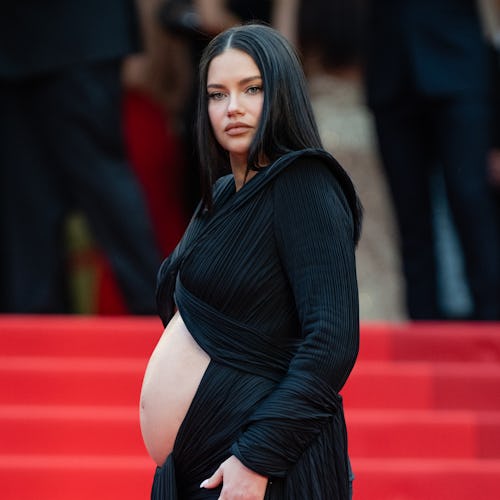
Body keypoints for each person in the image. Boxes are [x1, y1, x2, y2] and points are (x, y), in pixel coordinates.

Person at [140, 23, 362, 499]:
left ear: (281, 92)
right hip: (200, 461)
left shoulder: (304, 183)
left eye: (252, 89)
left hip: (258, 466)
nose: (232, 107)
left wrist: (256, 456)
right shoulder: (220, 195)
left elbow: (332, 341)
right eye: (217, 95)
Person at [0, 0, 161, 314]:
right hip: (13, 45)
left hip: (78, 33)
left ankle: (158, 317)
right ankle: (36, 338)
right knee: (25, 204)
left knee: (104, 184)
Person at [363, 0, 500, 320]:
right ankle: (423, 340)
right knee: (411, 219)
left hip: (461, 71)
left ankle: (493, 335)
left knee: (473, 205)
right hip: (390, 74)